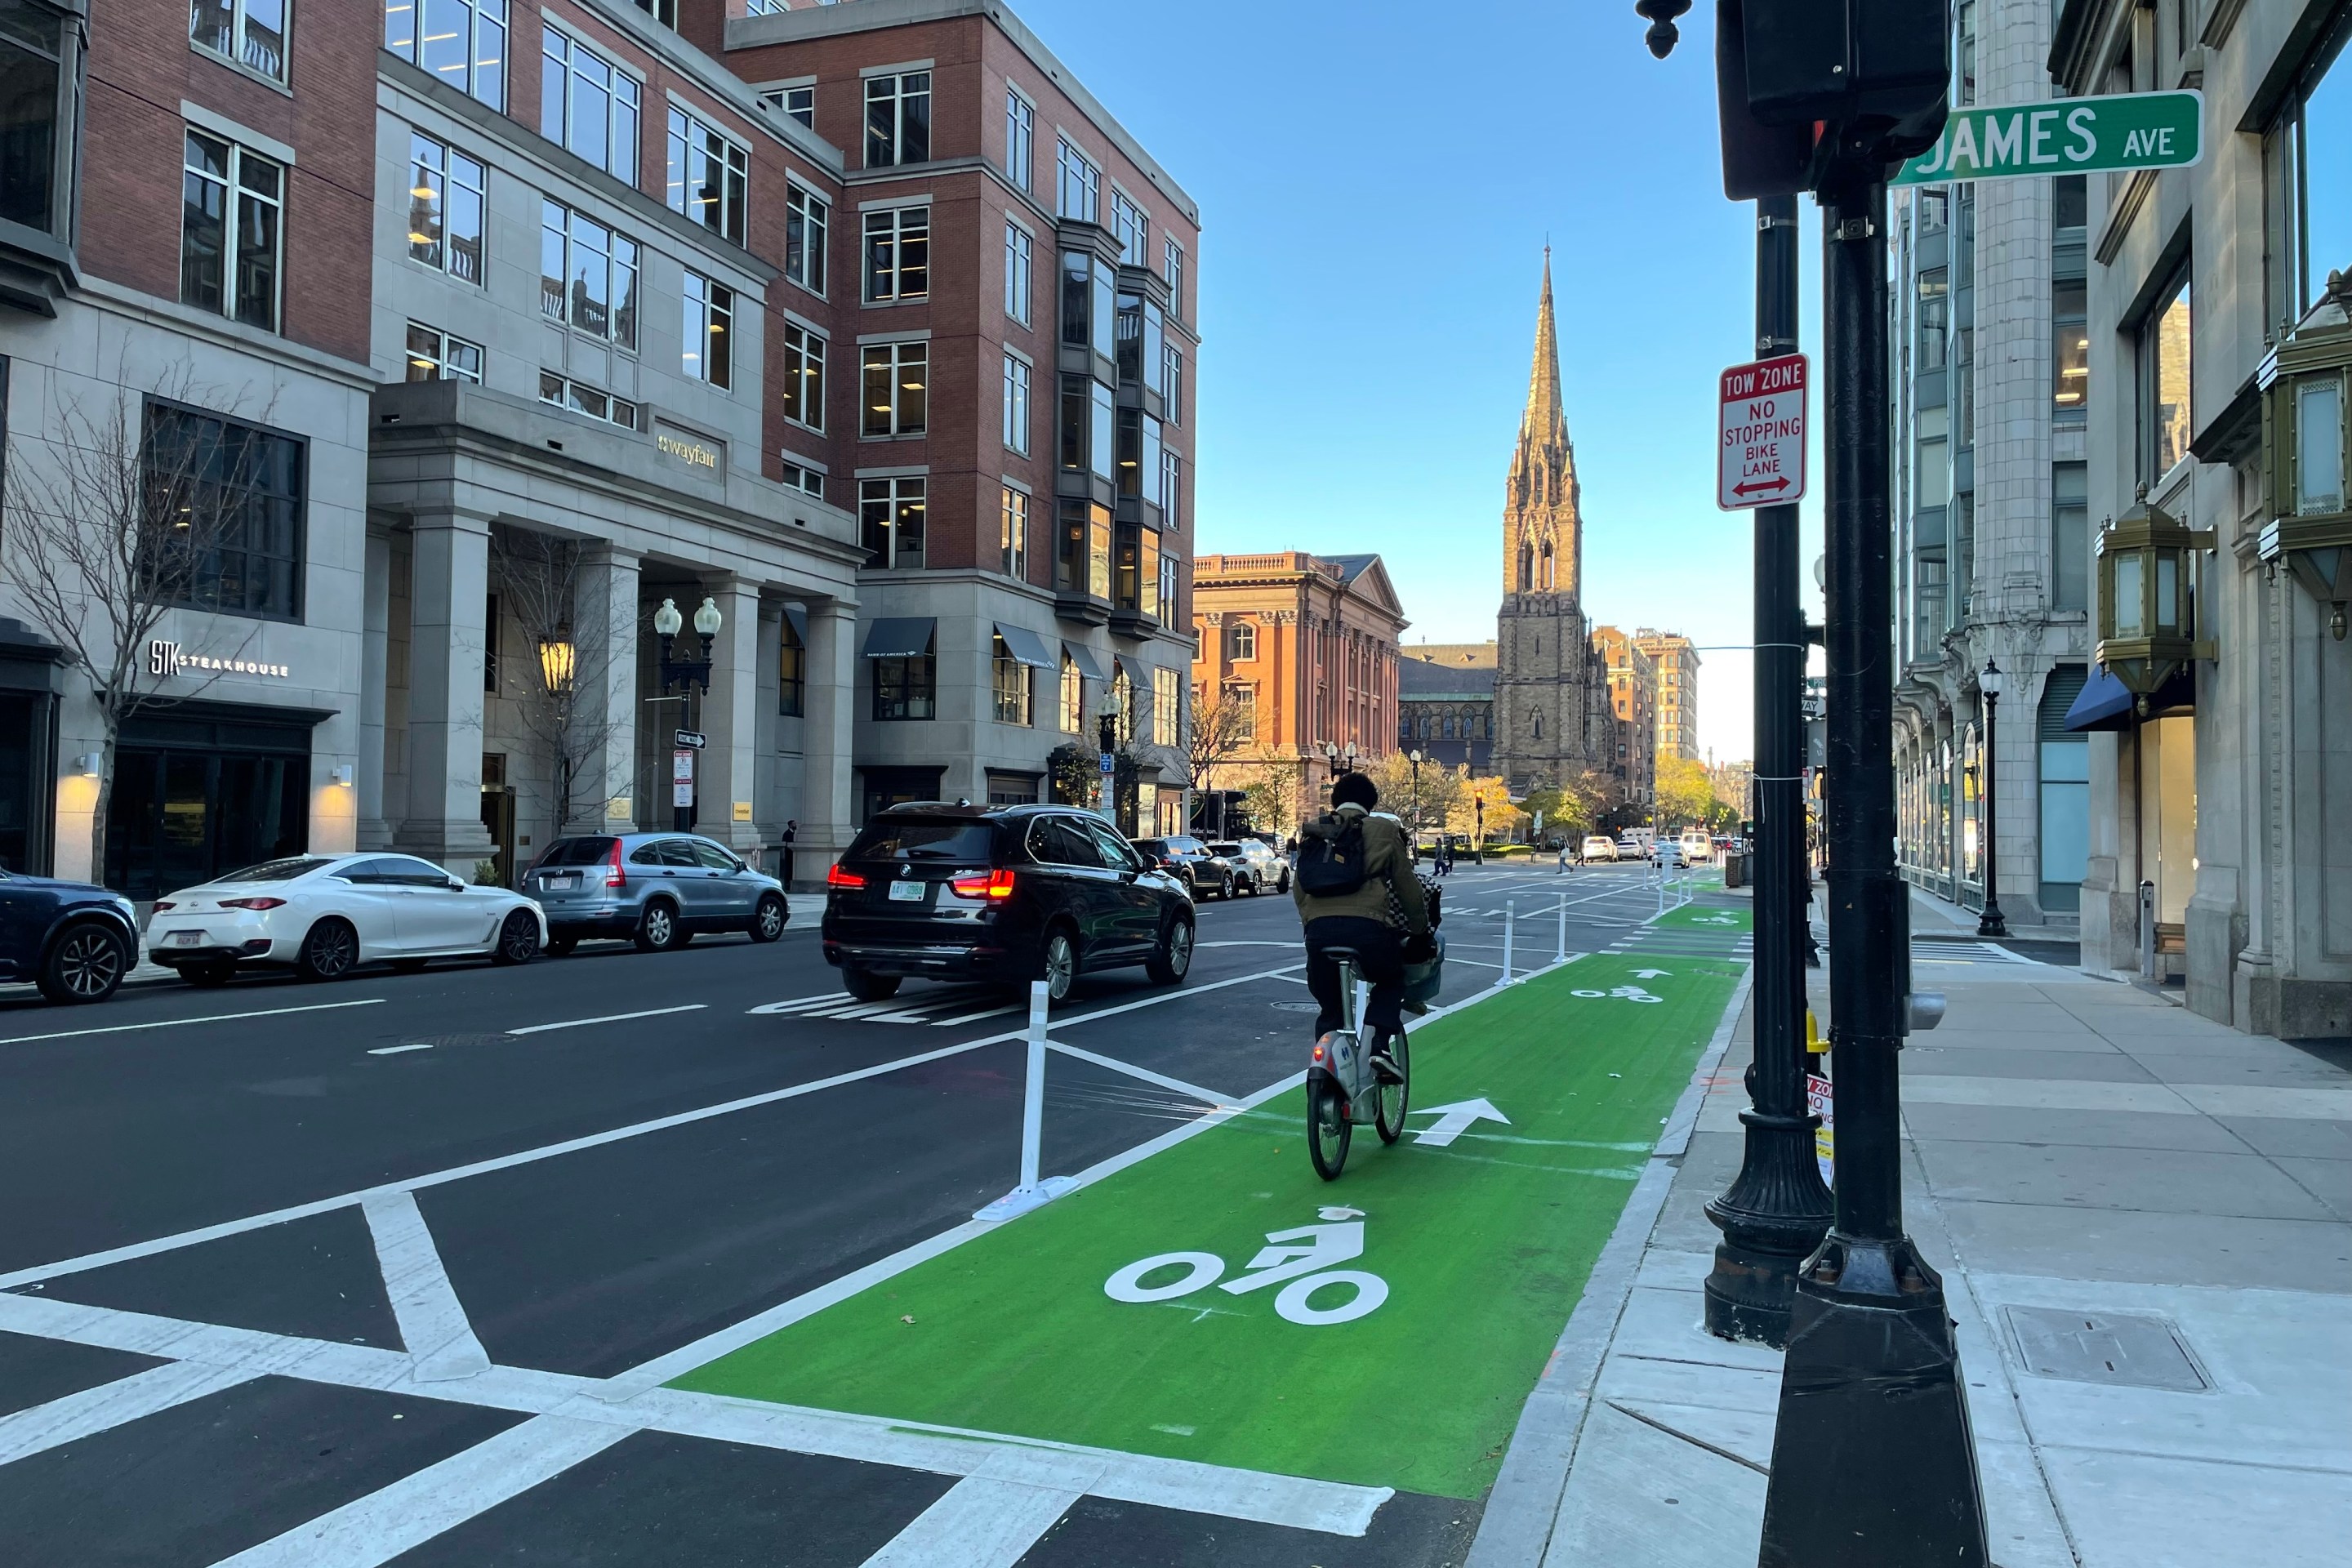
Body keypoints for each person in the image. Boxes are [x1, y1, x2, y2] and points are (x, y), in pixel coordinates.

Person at [1293, 773, 1431, 1080]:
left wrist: (1311, 925)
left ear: (1335, 801)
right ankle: (1379, 1047)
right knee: (1391, 978)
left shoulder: (1316, 830)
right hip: (1369, 931)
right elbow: (1409, 890)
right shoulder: (1385, 830)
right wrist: (1420, 931)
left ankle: (1326, 1070)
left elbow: (1299, 889)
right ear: (1372, 803)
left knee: (1330, 1006)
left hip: (1320, 934)